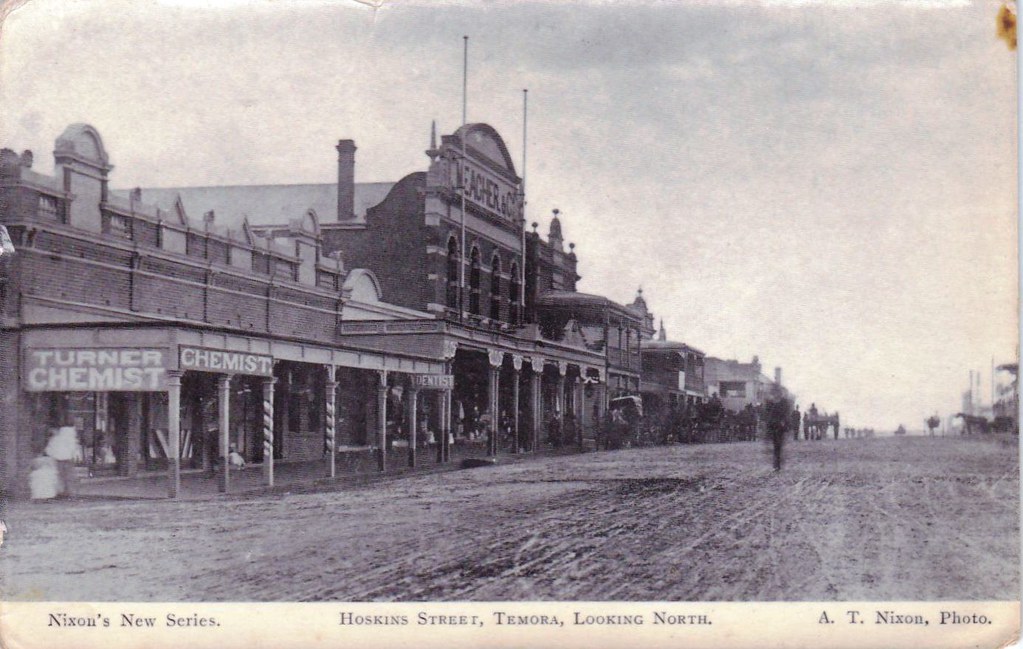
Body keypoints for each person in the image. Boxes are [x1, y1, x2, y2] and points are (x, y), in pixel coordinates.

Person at [763, 384, 792, 471]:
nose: (776, 394)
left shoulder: (784, 402)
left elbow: (786, 414)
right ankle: (776, 462)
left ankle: (777, 464)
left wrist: (785, 423)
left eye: (777, 392)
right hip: (772, 425)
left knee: (778, 445)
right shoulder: (769, 402)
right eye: (774, 392)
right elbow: (766, 414)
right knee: (775, 445)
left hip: (780, 426)